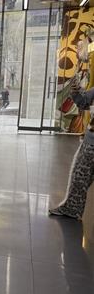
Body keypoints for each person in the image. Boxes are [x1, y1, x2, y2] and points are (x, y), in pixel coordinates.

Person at [49, 84, 94, 220]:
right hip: (91, 142)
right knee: (79, 176)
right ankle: (72, 208)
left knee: (80, 175)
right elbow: (84, 102)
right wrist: (76, 92)